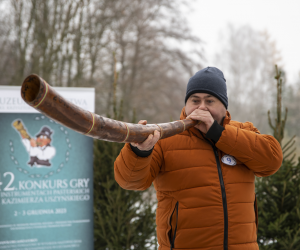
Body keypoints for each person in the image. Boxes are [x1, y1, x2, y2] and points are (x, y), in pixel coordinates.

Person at [114, 67, 283, 250]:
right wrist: (139, 151)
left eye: (210, 101)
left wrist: (218, 134)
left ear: (224, 106)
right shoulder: (165, 139)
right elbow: (129, 181)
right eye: (195, 100)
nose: (201, 107)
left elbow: (272, 161)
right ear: (186, 105)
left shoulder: (244, 132)